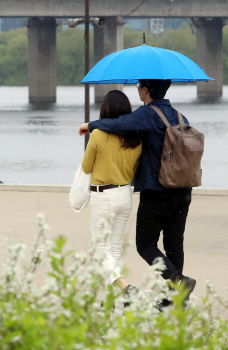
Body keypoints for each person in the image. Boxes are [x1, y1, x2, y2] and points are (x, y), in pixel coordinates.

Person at [79, 79, 197, 308]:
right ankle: (174, 300)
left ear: (145, 90)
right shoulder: (181, 117)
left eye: (138, 88)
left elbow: (117, 124)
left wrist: (91, 124)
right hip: (183, 190)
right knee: (174, 243)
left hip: (158, 191)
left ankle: (179, 283)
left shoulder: (148, 114)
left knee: (145, 244)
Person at [81, 90, 141, 299]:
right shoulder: (136, 137)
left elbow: (87, 167)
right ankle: (107, 300)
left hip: (103, 195)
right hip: (125, 194)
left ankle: (126, 288)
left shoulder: (98, 134)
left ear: (104, 109)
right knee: (113, 250)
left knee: (101, 250)